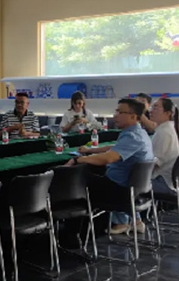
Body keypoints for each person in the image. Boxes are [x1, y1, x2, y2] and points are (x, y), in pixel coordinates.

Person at [65, 98, 154, 235]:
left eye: (120, 112)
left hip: (120, 192)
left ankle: (74, 235)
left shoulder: (133, 136)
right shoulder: (139, 133)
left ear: (133, 116)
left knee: (75, 180)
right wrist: (90, 151)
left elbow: (108, 158)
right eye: (116, 111)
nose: (115, 115)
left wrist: (78, 160)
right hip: (134, 190)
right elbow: (115, 148)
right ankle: (133, 221)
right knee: (92, 173)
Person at [149, 98, 179, 195]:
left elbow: (153, 163)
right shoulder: (167, 128)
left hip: (162, 182)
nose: (151, 111)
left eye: (155, 108)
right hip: (168, 180)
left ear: (167, 113)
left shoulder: (164, 133)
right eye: (151, 107)